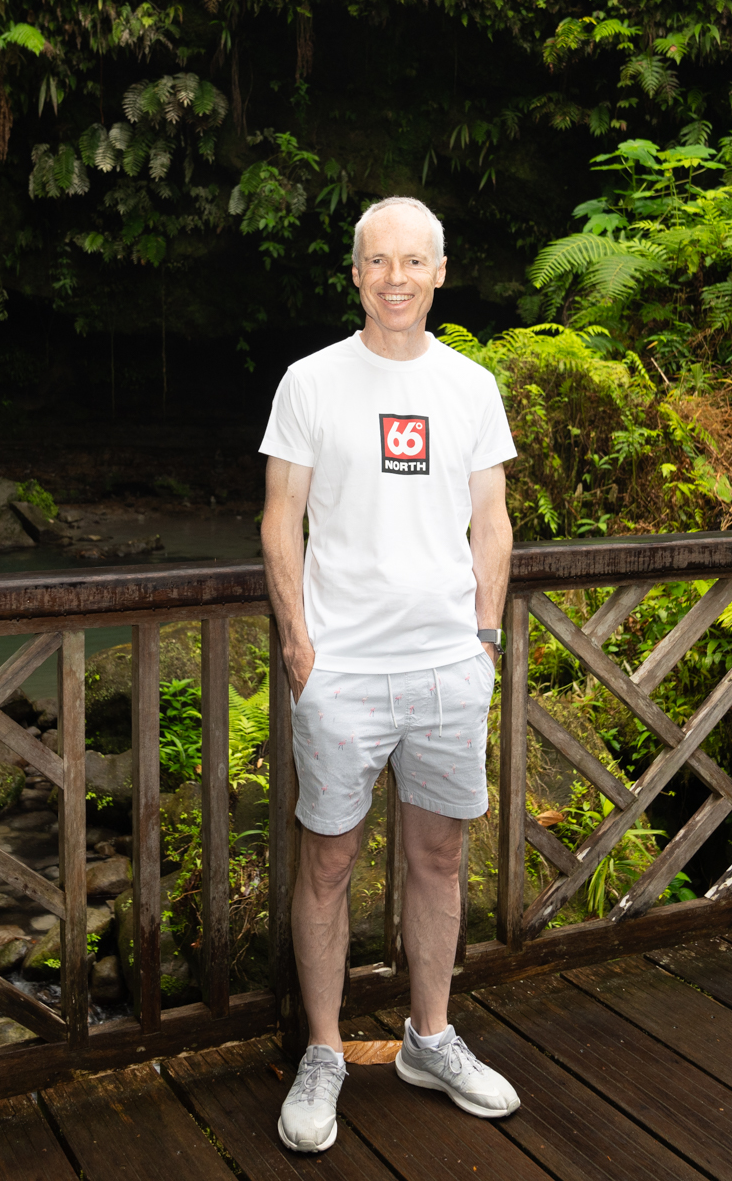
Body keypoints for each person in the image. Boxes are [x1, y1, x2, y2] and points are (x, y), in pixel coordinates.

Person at [260, 195, 521, 1153]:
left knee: (439, 856)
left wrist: (485, 642)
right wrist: (297, 642)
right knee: (327, 860)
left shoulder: (471, 387)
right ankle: (323, 1052)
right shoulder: (311, 382)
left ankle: (430, 1037)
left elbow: (490, 520)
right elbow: (279, 515)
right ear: (357, 274)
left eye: (415, 262)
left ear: (440, 272)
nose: (397, 279)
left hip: (450, 666)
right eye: (380, 262)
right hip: (343, 669)